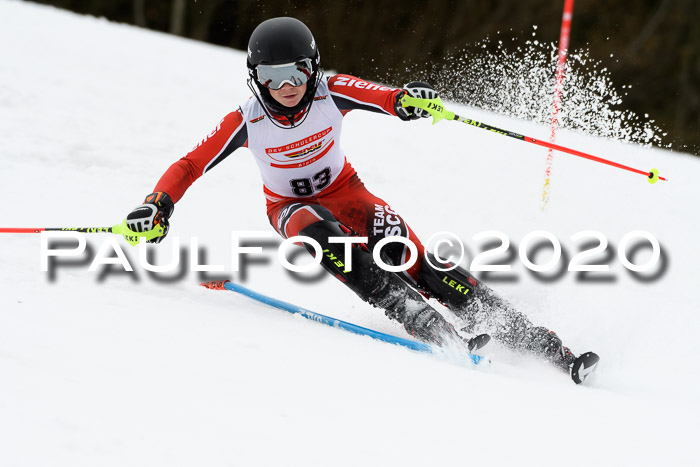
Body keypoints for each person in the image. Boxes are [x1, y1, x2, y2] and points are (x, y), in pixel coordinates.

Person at [126, 17, 576, 372]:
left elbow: (381, 96)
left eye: (296, 72)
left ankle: (525, 334)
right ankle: (424, 322)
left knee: (411, 256)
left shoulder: (331, 91)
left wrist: (405, 101)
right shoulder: (245, 121)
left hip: (347, 192)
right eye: (272, 77)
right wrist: (157, 204)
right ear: (255, 79)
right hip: (289, 208)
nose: (287, 87)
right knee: (322, 234)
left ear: (312, 67)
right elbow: (189, 164)